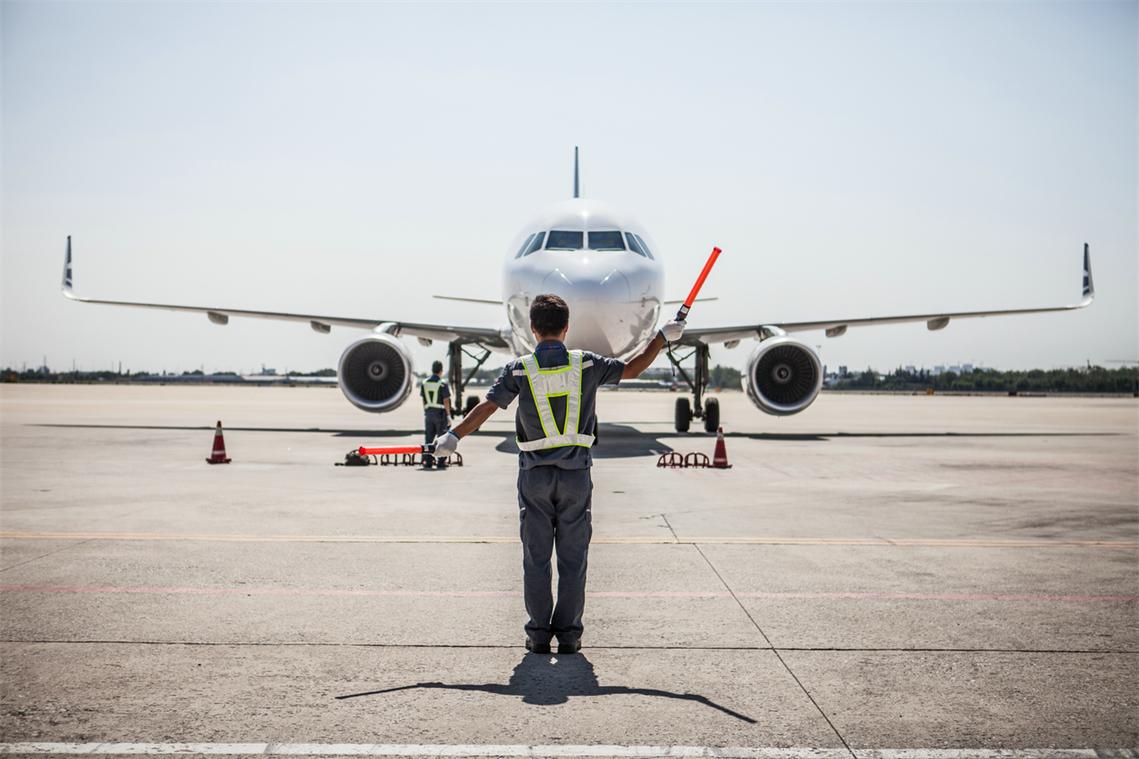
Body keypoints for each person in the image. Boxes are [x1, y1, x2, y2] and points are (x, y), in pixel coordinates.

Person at [433, 294, 685, 654]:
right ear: (567, 328)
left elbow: (488, 405)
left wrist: (454, 435)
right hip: (575, 477)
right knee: (573, 559)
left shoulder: (518, 370)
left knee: (536, 559)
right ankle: (568, 636)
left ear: (533, 329)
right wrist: (661, 337)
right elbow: (632, 369)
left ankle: (538, 636)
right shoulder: (587, 364)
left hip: (533, 478)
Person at [420, 360, 452, 469]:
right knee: (442, 439)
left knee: (428, 438)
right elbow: (446, 400)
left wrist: (426, 411)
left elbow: (424, 399)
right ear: (441, 370)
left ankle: (427, 461)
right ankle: (441, 462)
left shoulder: (425, 383)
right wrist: (448, 415)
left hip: (429, 414)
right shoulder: (442, 383)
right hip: (440, 414)